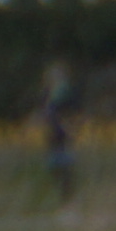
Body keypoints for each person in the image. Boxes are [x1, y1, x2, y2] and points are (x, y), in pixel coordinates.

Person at [38, 64, 81, 202]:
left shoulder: (66, 94)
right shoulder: (47, 95)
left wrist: (71, 127)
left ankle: (69, 202)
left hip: (63, 136)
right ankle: (66, 201)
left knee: (65, 169)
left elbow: (72, 113)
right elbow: (45, 115)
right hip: (52, 136)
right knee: (55, 168)